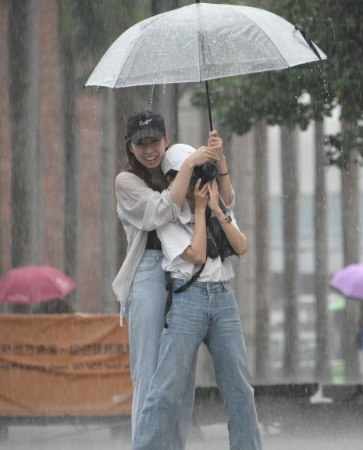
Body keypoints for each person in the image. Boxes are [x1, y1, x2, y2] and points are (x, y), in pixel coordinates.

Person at [133, 144, 261, 450]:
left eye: (198, 174)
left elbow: (242, 248)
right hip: (187, 301)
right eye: (189, 176)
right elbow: (198, 253)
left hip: (224, 300)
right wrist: (201, 211)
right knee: (165, 389)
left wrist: (216, 208)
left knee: (240, 389)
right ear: (173, 179)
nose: (196, 185)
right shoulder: (167, 215)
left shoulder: (218, 207)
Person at [111, 110, 223, 442]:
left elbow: (223, 204)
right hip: (148, 273)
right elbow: (159, 212)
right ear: (130, 146)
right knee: (148, 375)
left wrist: (215, 159)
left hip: (184, 274)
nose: (149, 150)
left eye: (155, 142)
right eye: (140, 143)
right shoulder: (126, 181)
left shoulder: (175, 170)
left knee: (181, 376)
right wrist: (188, 168)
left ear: (167, 140)